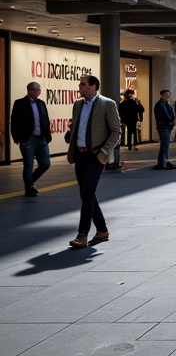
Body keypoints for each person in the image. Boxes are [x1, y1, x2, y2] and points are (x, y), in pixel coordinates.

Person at [67, 74, 120, 248]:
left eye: (83, 85)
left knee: (87, 193)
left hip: (96, 156)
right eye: (80, 85)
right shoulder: (78, 104)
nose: (79, 87)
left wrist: (104, 151)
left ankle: (82, 235)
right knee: (86, 194)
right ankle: (102, 230)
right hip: (80, 155)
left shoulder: (107, 104)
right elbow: (76, 128)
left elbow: (116, 132)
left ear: (94, 86)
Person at [12, 81, 51, 196]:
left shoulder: (41, 103)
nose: (39, 91)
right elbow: (14, 122)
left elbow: (46, 120)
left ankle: (29, 182)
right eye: (37, 90)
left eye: (39, 90)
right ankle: (29, 188)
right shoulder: (20, 103)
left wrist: (47, 136)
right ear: (30, 90)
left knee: (45, 164)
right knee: (28, 165)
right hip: (28, 139)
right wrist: (18, 139)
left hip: (42, 139)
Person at [153, 89, 176, 170]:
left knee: (165, 144)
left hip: (166, 126)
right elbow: (166, 116)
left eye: (169, 94)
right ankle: (162, 163)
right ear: (162, 95)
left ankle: (165, 162)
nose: (168, 96)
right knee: (164, 144)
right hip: (164, 126)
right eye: (166, 94)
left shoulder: (165, 104)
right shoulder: (160, 105)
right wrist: (171, 120)